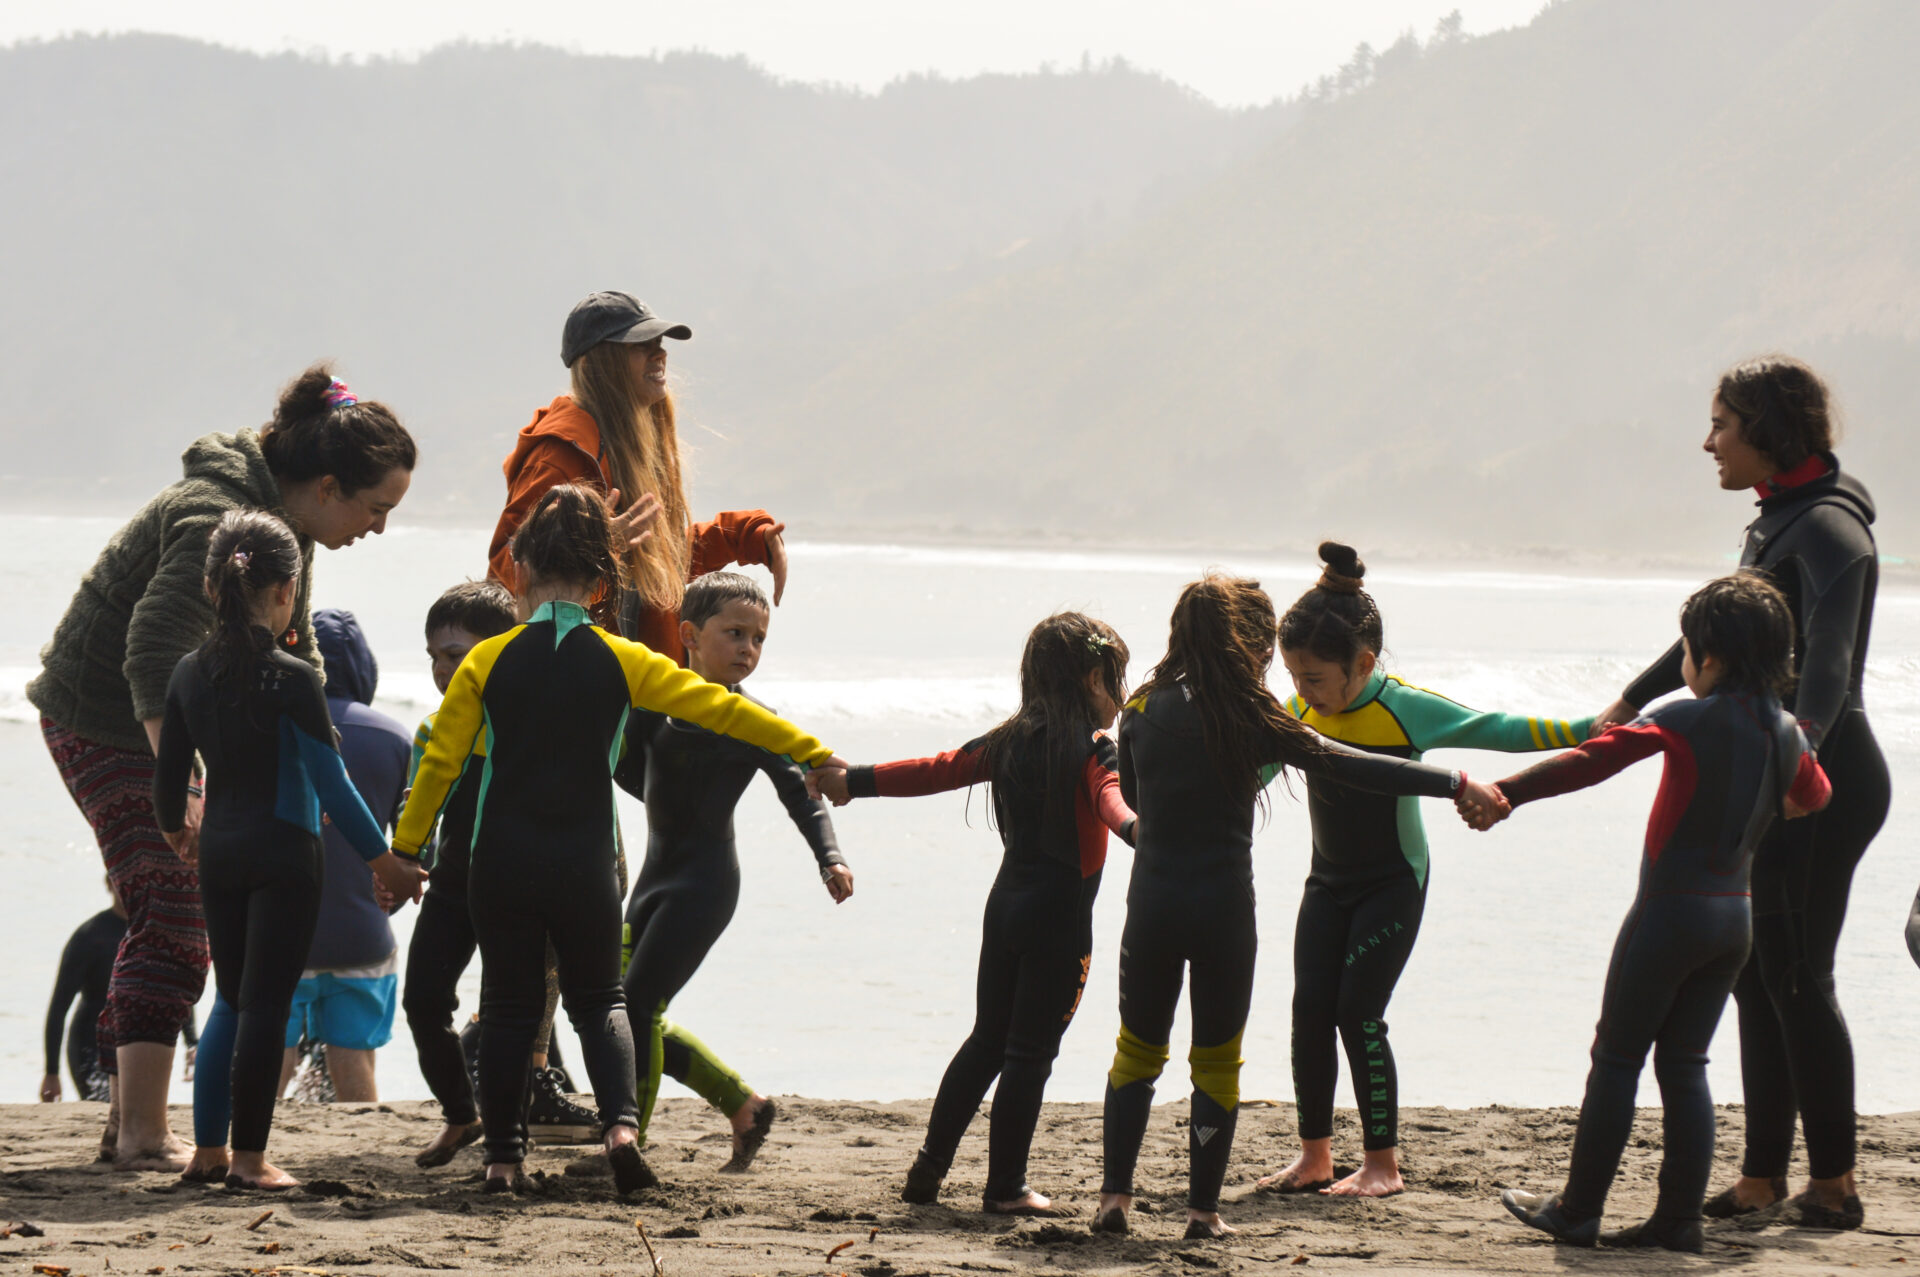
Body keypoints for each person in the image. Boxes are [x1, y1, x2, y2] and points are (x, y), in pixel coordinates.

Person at [393, 485, 845, 1195]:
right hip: (584, 862)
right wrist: (814, 751)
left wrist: (407, 847)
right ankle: (622, 1129)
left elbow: (444, 763)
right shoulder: (623, 659)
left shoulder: (487, 661)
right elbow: (726, 714)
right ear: (604, 582)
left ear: (517, 569)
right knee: (602, 999)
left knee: (509, 1007)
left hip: (500, 862)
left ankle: (504, 1161)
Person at [28, 363, 416, 1169]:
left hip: (164, 716)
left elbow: (290, 651)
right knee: (172, 905)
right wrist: (189, 793)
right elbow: (148, 656)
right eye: (376, 508)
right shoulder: (216, 516)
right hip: (103, 716)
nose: (379, 527)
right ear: (327, 484)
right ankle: (140, 1130)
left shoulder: (286, 530)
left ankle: (127, 1123)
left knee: (177, 914)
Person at [1095, 575, 1505, 1239]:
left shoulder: (1139, 707)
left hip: (1153, 904)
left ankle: (1114, 1199)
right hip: (1223, 908)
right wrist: (1453, 779)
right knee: (1215, 1060)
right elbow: (1353, 764)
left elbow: (1137, 805)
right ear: (1250, 646)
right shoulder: (1254, 714)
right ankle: (1203, 1212)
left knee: (1138, 1051)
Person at [1591, 357, 1887, 1229]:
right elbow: (1722, 633)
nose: (1708, 440)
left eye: (1722, 422)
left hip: (1820, 778)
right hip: (1779, 767)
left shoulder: (1831, 528)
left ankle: (1831, 1181)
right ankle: (1762, 1175)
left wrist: (1807, 769)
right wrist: (1632, 698)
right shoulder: (1779, 520)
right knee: (1758, 978)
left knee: (1800, 976)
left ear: (1767, 428)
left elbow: (1827, 666)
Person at [1483, 574, 1832, 1252]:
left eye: (1687, 650)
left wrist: (1506, 792)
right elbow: (1814, 795)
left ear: (1711, 655)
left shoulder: (1684, 715)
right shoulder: (1788, 731)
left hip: (1669, 913)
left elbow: (1593, 759)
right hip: (1735, 921)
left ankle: (1578, 1210)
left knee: (1615, 1057)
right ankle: (1678, 1220)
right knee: (1686, 1063)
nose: (1682, 664)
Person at [1259, 543, 1593, 1198]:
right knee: (1308, 1010)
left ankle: (1381, 1164)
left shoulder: (1402, 707)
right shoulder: (1299, 712)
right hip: (1325, 883)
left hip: (1392, 885)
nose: (1303, 693)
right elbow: (1258, 773)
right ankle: (1315, 1156)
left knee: (1358, 1012)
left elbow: (1492, 726)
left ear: (1363, 663)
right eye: (1293, 677)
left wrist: (1589, 726)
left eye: (1316, 679)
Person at [813, 613, 1136, 1216]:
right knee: (1030, 1057)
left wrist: (854, 780)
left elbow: (937, 769)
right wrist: (1141, 831)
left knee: (987, 1040)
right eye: (1118, 679)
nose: (1122, 695)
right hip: (1061, 924)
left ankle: (928, 1170)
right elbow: (1110, 800)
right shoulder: (1096, 749)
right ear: (1095, 678)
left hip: (1005, 910)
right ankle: (1005, 1187)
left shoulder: (1008, 740)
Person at [154, 510, 425, 1190]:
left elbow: (168, 781)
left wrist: (176, 832)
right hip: (285, 854)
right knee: (268, 1006)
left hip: (219, 850)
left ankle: (207, 1151)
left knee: (230, 1001)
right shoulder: (295, 676)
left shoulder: (188, 673)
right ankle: (249, 1160)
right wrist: (382, 859)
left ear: (214, 588)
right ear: (286, 592)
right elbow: (330, 782)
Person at [616, 571, 853, 1179]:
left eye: (758, 639)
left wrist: (830, 856)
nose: (748, 648)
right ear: (689, 636)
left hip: (705, 886)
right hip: (653, 878)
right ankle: (744, 1107)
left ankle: (628, 1144)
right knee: (625, 1007)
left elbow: (801, 796)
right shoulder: (656, 704)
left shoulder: (749, 720)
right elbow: (626, 771)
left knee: (639, 1005)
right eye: (735, 633)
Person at [487, 290, 790, 657]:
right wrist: (590, 547)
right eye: (640, 346)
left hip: (635, 679)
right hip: (583, 682)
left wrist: (746, 535)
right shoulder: (561, 454)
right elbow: (505, 574)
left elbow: (658, 565)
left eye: (659, 343)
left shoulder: (629, 444)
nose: (660, 355)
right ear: (599, 362)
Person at [268, 609, 411, 1104]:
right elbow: (415, 843)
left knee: (268, 1060)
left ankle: (245, 1155)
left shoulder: (271, 727)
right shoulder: (394, 738)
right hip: (361, 935)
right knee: (354, 1063)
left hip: (280, 929)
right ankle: (359, 1159)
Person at [402, 581, 522, 1168]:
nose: (441, 669)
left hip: (516, 888)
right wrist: (404, 866)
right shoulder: (432, 730)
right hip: (452, 887)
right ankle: (460, 1114)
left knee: (506, 1015)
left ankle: (508, 1144)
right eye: (433, 657)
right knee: (422, 1002)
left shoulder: (528, 730)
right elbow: (416, 815)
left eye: (454, 654)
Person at [42, 884, 129, 1103]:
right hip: (91, 1046)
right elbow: (59, 1007)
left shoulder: (150, 931)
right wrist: (52, 1072)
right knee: (103, 1107)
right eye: (121, 882)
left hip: (137, 1042)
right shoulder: (89, 936)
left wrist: (192, 1040)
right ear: (110, 884)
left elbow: (170, 990)